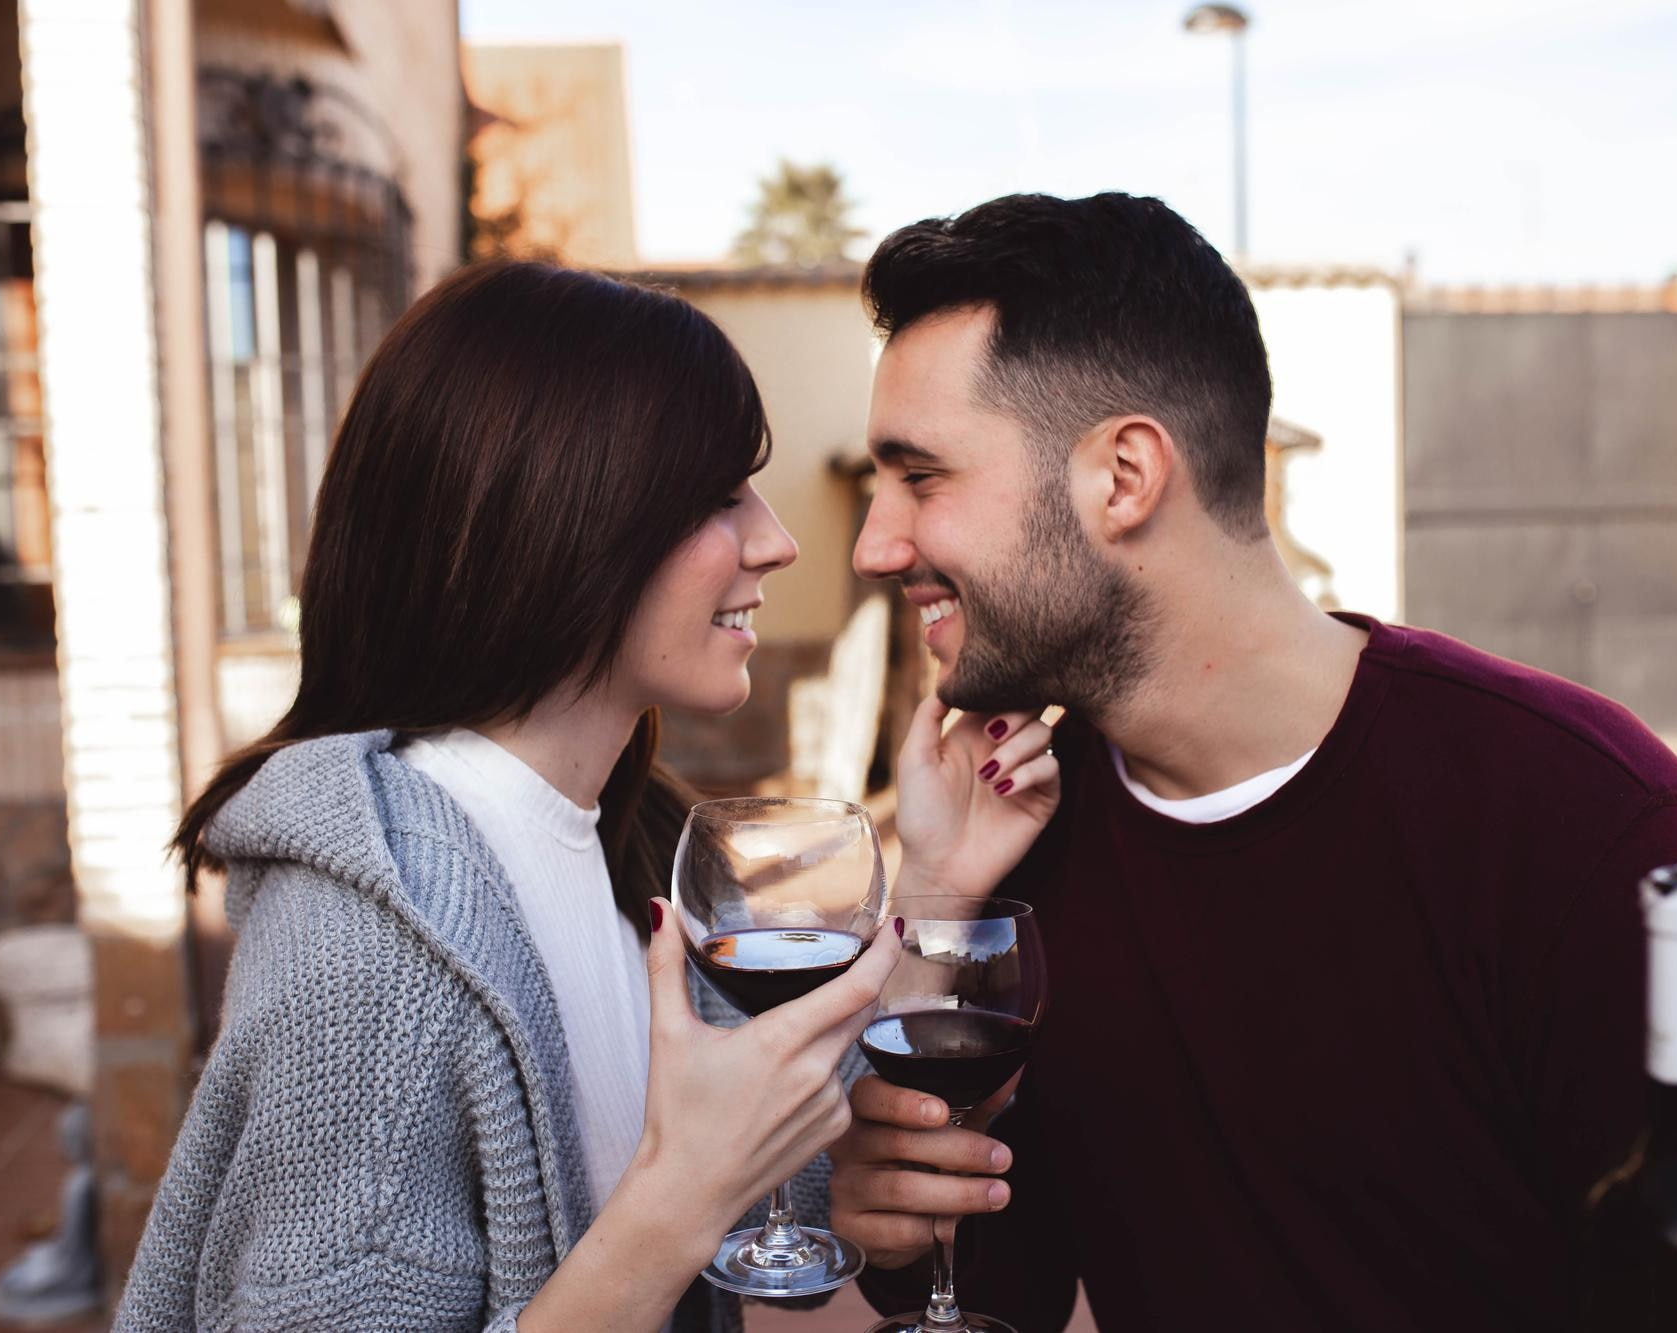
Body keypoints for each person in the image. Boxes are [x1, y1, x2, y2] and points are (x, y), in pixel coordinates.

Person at [829, 193, 1677, 1331]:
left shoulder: (1581, 830)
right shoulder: (1021, 851)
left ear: (1121, 478)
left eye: (919, 477)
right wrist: (934, 907)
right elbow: (984, 1292)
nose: (874, 545)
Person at [112, 261, 1048, 1332]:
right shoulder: (365, 950)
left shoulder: (628, 848)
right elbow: (667, 1210)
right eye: (716, 496)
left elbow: (737, 1222)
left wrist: (936, 876)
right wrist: (684, 1198)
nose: (776, 540)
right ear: (560, 521)